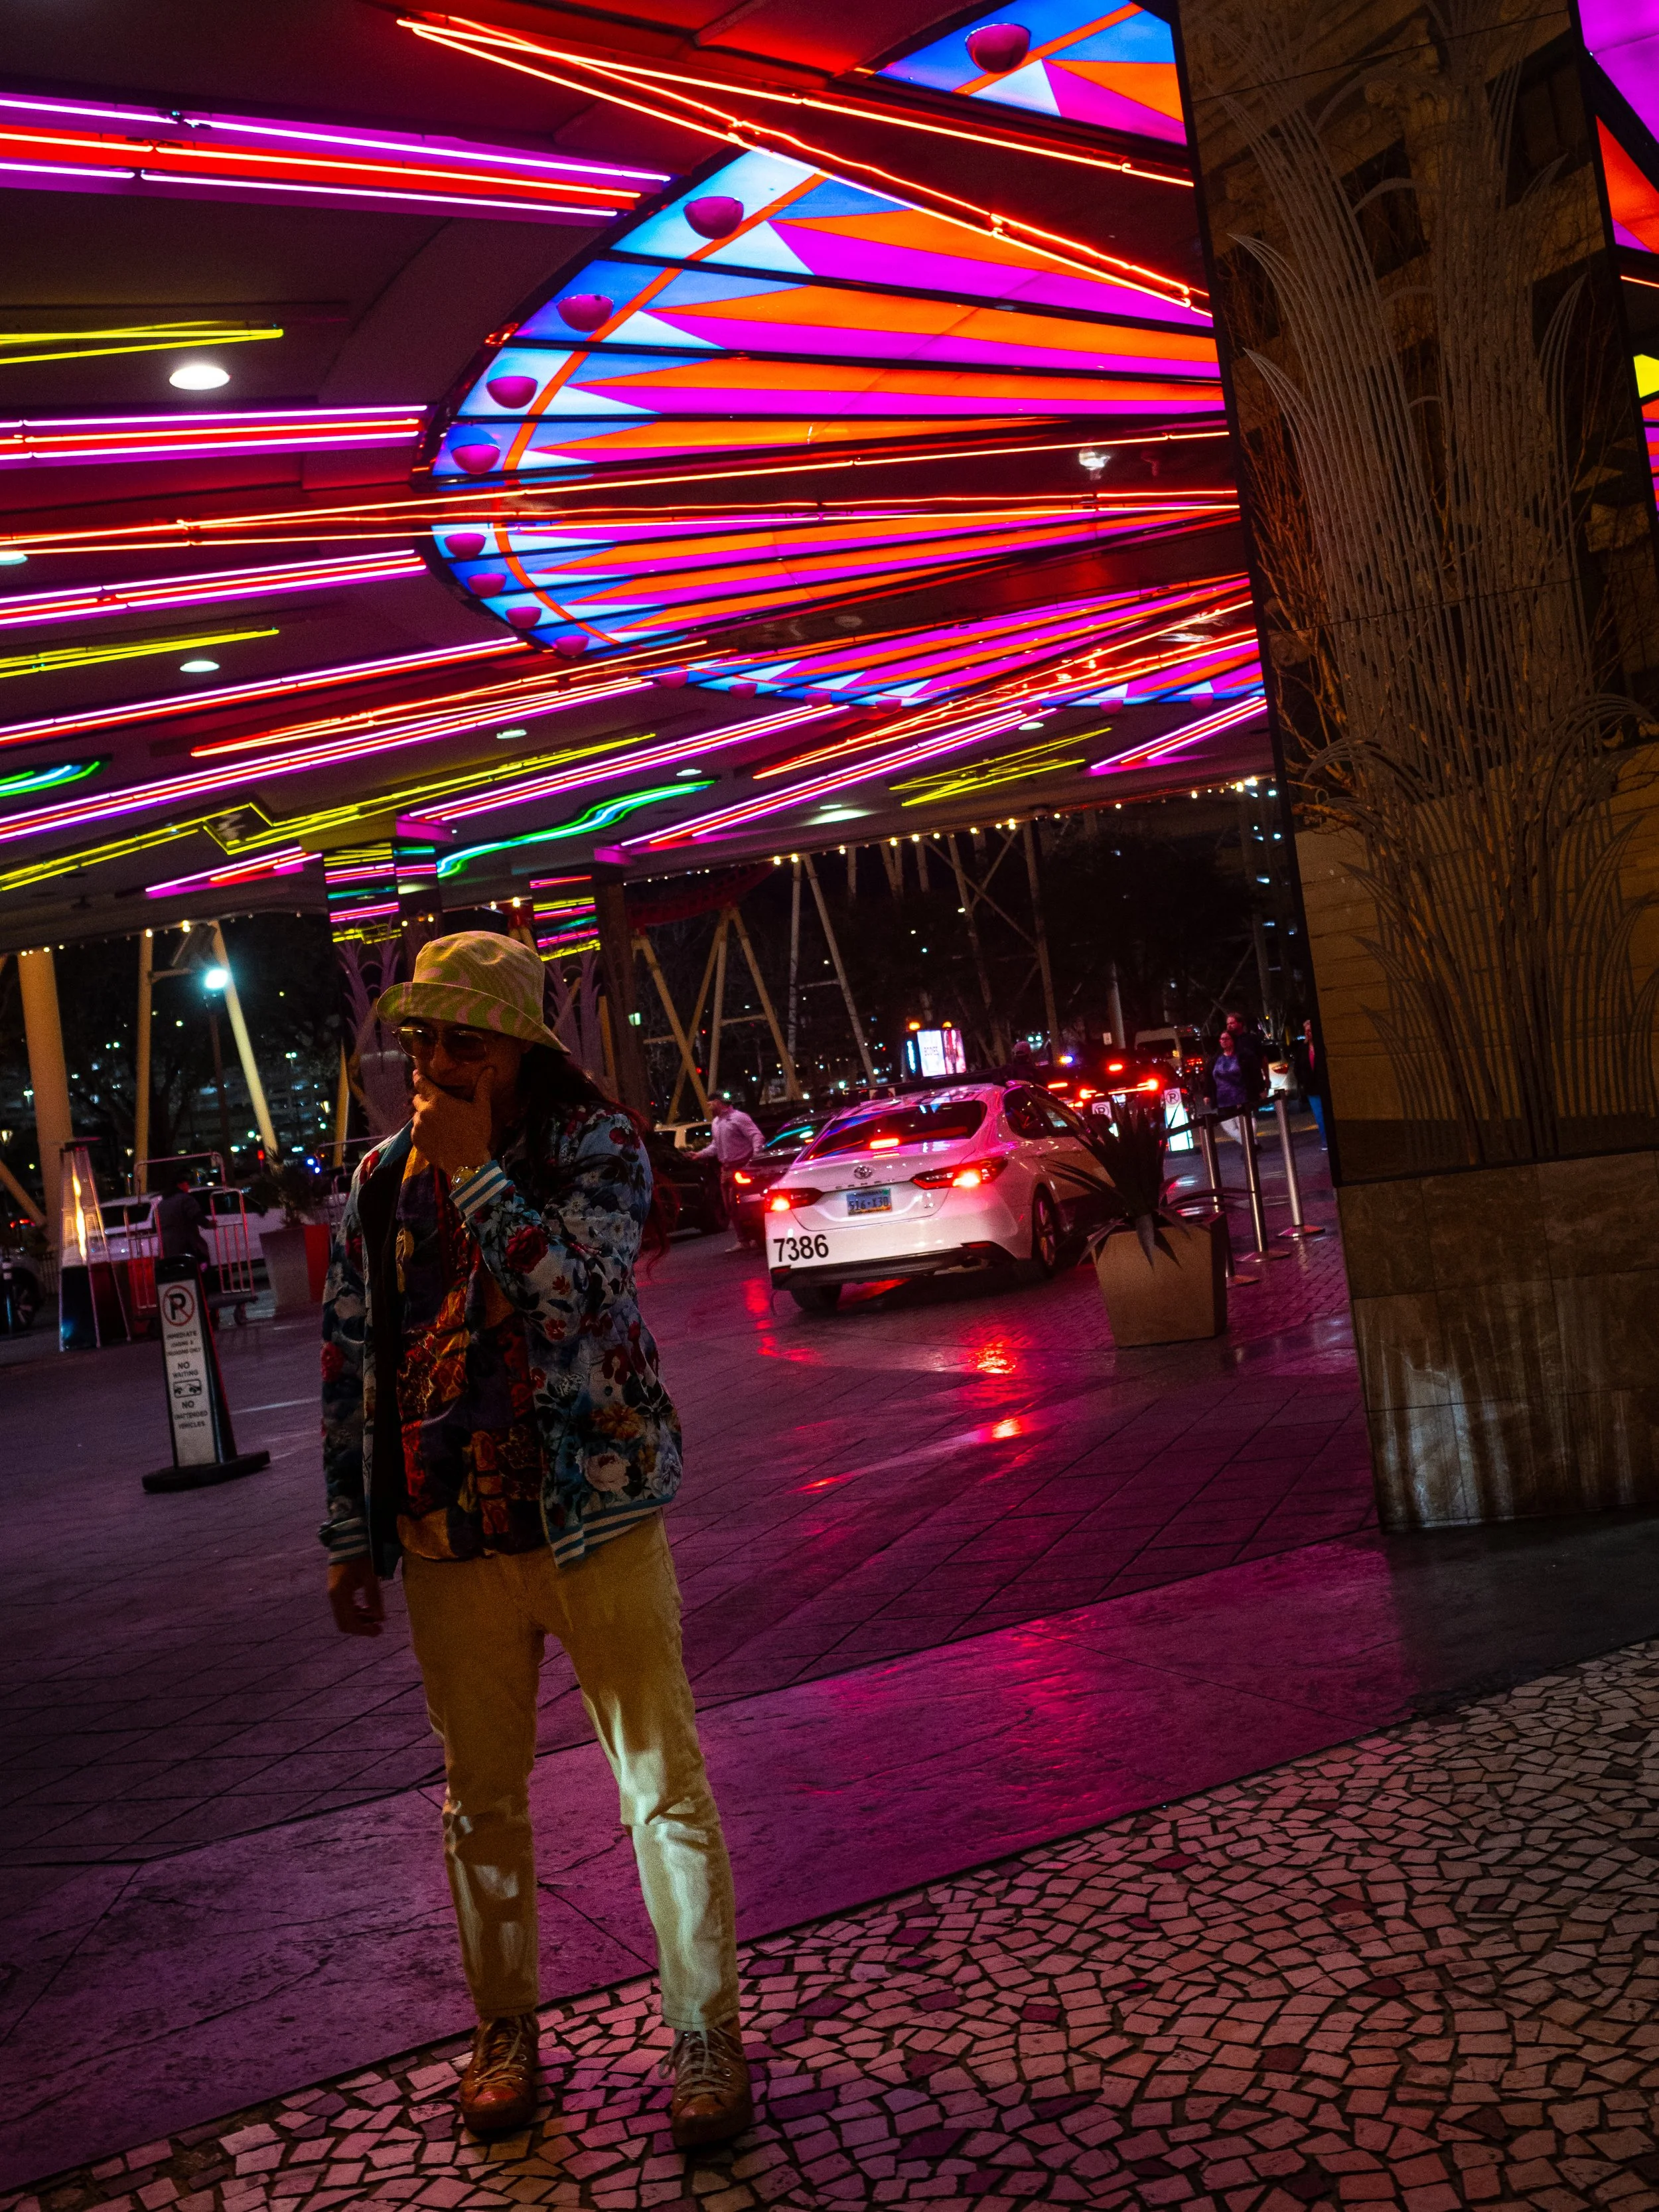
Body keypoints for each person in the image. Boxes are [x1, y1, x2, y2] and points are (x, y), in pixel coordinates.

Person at [320, 932, 749, 2150]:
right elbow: (356, 1359)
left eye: (465, 1040)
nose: (438, 1062)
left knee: (660, 1783)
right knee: (481, 1802)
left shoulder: (596, 1149)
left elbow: (578, 1293)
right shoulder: (376, 1178)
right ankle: (505, 2024)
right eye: (422, 1040)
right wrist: (352, 1529)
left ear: (518, 1051)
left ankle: (705, 2030)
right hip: (451, 1527)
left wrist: (479, 1178)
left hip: (594, 1515)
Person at [697, 1096, 762, 1228]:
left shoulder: (739, 1117)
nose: (708, 1108)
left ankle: (755, 1233)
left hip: (741, 1166)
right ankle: (742, 1239)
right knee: (729, 1206)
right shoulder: (715, 1123)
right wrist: (699, 1154)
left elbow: (756, 1135)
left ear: (718, 1103)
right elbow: (716, 1146)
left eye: (710, 1104)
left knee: (744, 1203)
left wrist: (756, 1155)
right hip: (726, 1169)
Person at [1294, 1017, 1327, 1150]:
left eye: (1310, 1030)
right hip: (1312, 1088)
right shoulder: (1303, 1049)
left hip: (1324, 1085)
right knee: (1319, 1116)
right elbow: (1298, 1068)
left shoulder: (1322, 1045)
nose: (1308, 1033)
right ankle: (1325, 1140)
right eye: (1306, 1030)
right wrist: (1303, 1081)